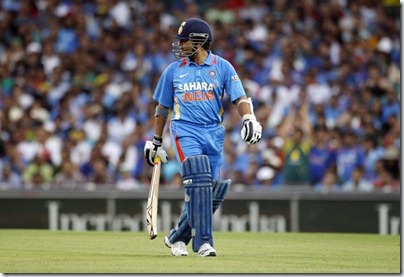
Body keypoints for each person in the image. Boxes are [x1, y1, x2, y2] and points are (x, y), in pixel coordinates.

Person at [143, 18, 262, 257]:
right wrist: (156, 140)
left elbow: (240, 98)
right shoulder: (173, 70)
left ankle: (178, 236)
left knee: (212, 190)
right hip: (184, 129)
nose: (180, 45)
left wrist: (249, 118)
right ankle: (204, 242)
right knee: (198, 178)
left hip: (214, 133)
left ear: (199, 41)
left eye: (184, 40)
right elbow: (162, 108)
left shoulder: (223, 67)